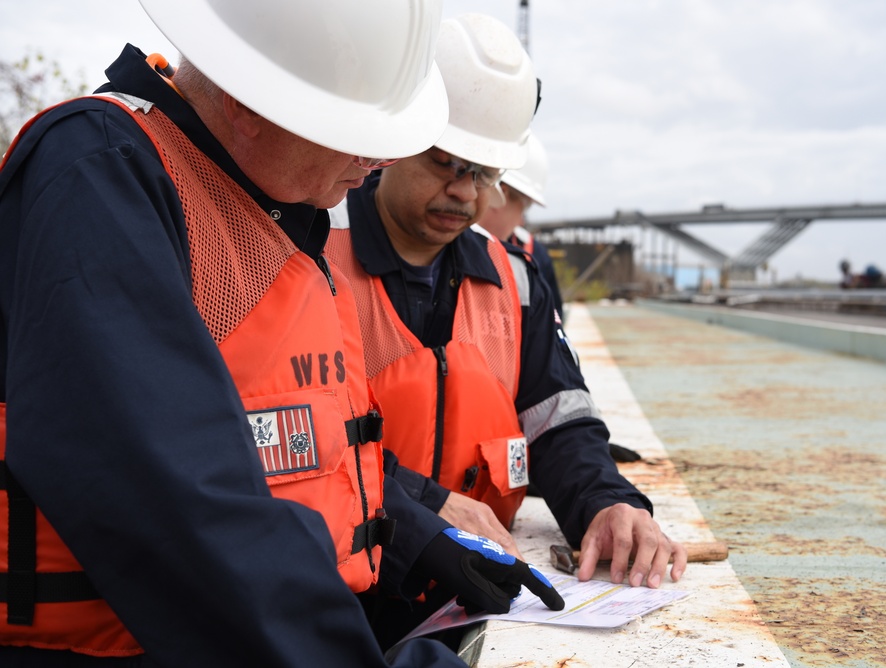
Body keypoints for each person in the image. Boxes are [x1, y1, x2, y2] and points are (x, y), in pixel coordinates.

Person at [0, 2, 562, 666]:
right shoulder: (101, 177)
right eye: (356, 129)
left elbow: (304, 440)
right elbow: (177, 509)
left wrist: (413, 533)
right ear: (249, 101)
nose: (380, 159)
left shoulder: (266, 206)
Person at [326, 12, 686, 618]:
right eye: (445, 162)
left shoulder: (514, 281)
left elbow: (559, 420)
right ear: (395, 140)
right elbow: (281, 443)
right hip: (340, 595)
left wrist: (606, 503)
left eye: (486, 172)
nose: (467, 191)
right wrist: (422, 504)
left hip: (472, 595)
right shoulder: (307, 255)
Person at [478, 133, 564, 321]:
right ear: (502, 194)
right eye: (523, 210)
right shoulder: (445, 250)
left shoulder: (534, 255)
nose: (521, 222)